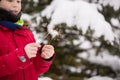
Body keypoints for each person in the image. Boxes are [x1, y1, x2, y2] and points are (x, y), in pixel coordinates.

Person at [0, 0, 55, 80]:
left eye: (18, 1)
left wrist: (44, 57)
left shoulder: (26, 33)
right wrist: (20, 57)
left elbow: (35, 69)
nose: (15, 5)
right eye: (10, 0)